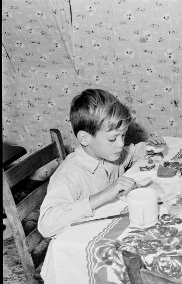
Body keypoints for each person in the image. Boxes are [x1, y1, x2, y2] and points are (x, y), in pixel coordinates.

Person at [38, 88, 165, 238]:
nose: (120, 143)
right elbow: (45, 225)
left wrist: (147, 148)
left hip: (110, 227)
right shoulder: (70, 174)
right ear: (85, 138)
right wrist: (104, 195)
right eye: (113, 138)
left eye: (123, 135)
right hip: (83, 240)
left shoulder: (108, 153)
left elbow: (129, 153)